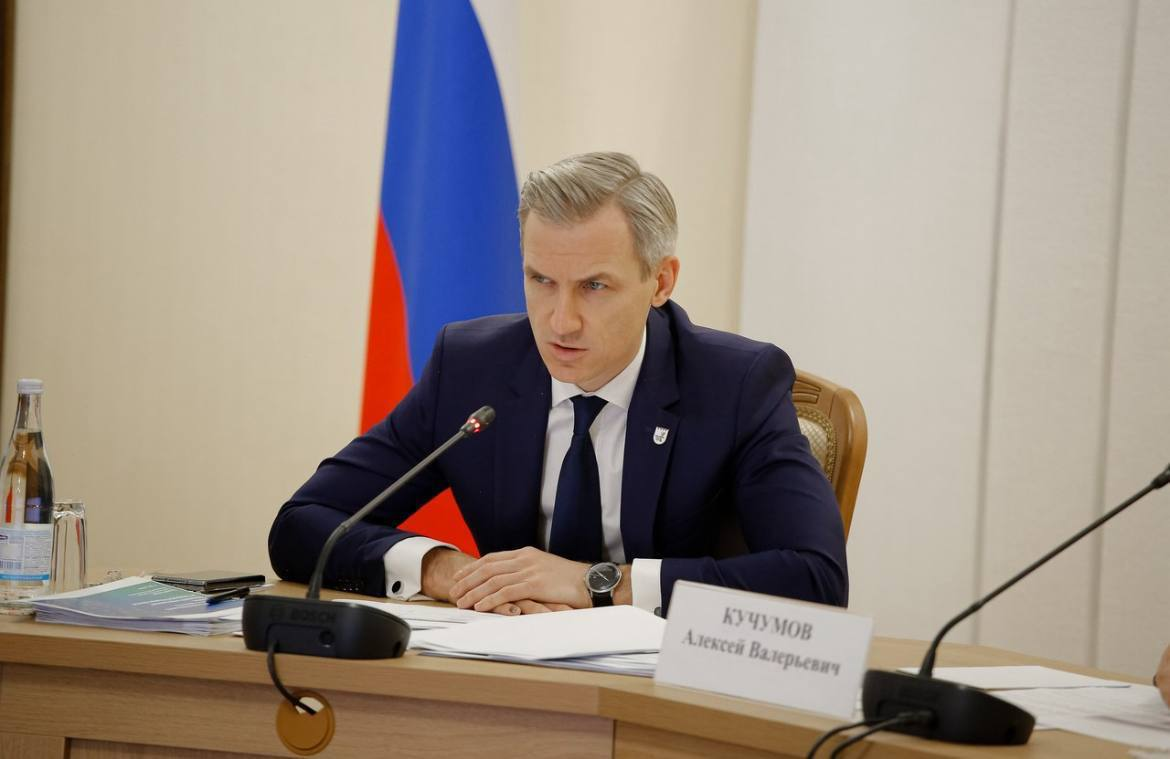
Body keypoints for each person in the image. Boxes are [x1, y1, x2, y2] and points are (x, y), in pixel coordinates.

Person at [268, 152, 847, 616]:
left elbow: (815, 578)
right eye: (541, 280)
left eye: (594, 286)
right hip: (510, 675)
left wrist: (596, 584)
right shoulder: (472, 368)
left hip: (666, 689)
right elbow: (303, 522)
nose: (561, 321)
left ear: (661, 281)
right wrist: (448, 572)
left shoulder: (736, 383)